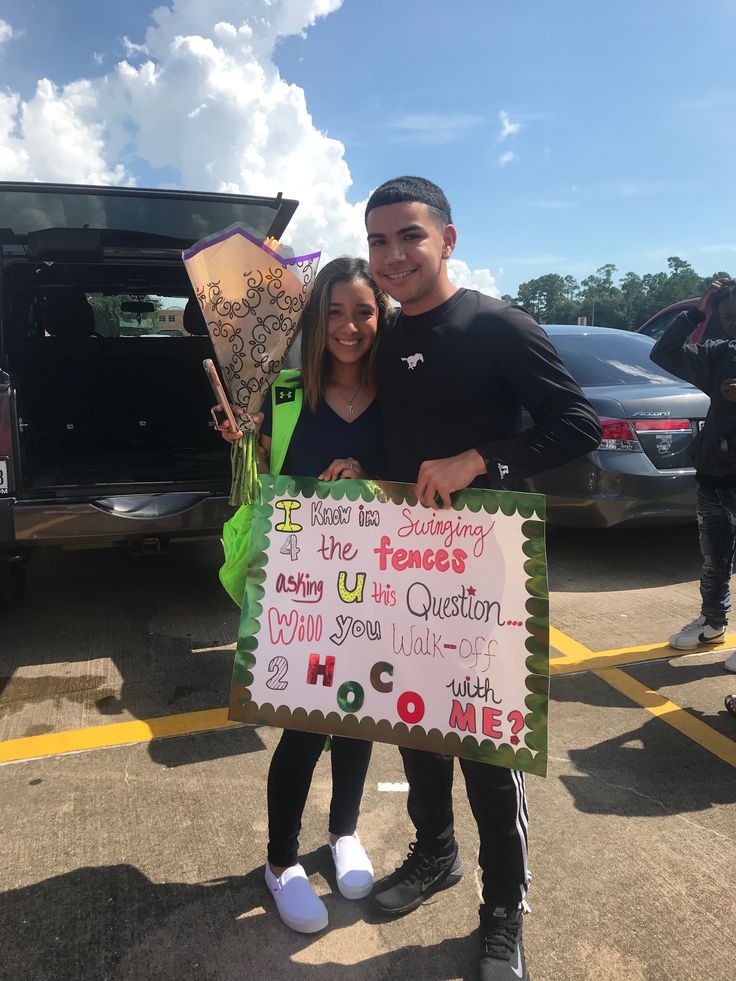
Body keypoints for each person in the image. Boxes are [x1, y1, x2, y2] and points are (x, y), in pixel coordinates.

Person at [363, 176, 602, 981]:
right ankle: (435, 854)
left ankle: (505, 908)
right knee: (415, 726)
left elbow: (577, 423)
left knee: (487, 750)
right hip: (405, 566)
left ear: (448, 240)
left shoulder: (499, 325)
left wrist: (482, 460)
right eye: (379, 242)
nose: (393, 256)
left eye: (409, 237)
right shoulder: (385, 339)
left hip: (487, 574)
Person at [218, 256, 393, 934]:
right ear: (316, 320)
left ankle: (344, 831)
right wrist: (242, 440)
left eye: (364, 312)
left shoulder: (400, 397)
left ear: (382, 317)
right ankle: (282, 860)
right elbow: (258, 478)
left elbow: (411, 480)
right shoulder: (286, 394)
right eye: (336, 312)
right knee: (306, 721)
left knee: (363, 711)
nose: (350, 327)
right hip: (303, 589)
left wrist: (368, 473)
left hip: (379, 578)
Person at [650, 280, 736, 680]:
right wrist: (695, 315)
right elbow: (663, 353)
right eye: (726, 316)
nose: (733, 323)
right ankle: (712, 622)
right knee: (714, 560)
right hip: (714, 478)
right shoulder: (719, 354)